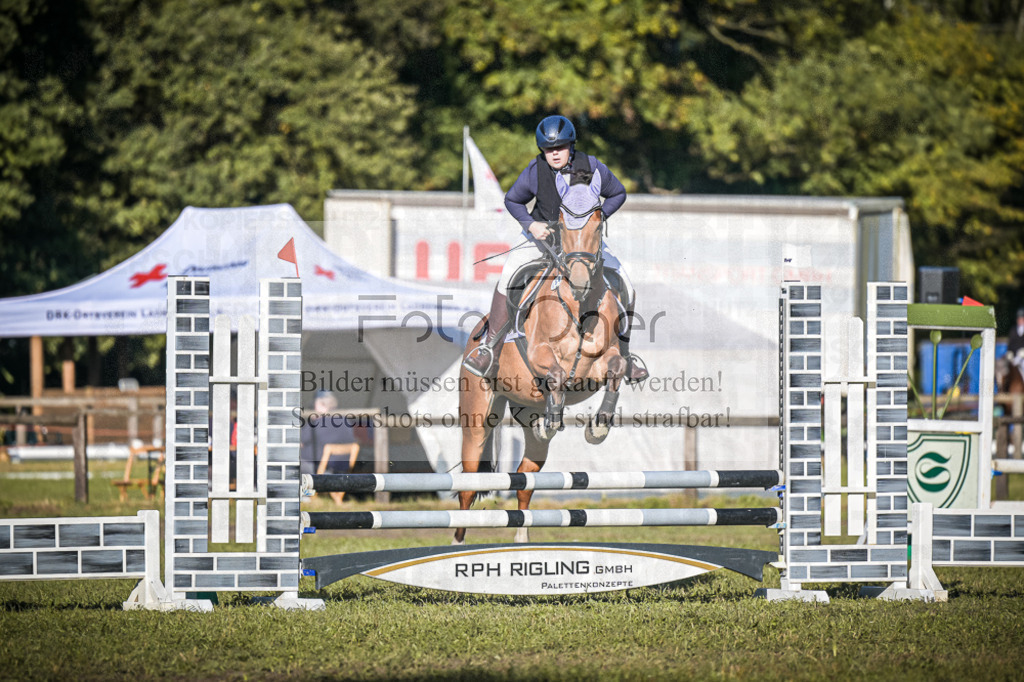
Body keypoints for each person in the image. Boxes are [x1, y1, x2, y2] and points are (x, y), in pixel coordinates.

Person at [463, 115, 648, 383]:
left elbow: (618, 193)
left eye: (560, 147)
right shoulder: (535, 170)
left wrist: (597, 220)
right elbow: (512, 199)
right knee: (507, 276)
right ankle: (489, 348)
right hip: (543, 239)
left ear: (571, 146)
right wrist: (531, 224)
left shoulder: (590, 166)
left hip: (583, 243)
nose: (555, 154)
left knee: (627, 285)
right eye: (549, 149)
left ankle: (626, 356)